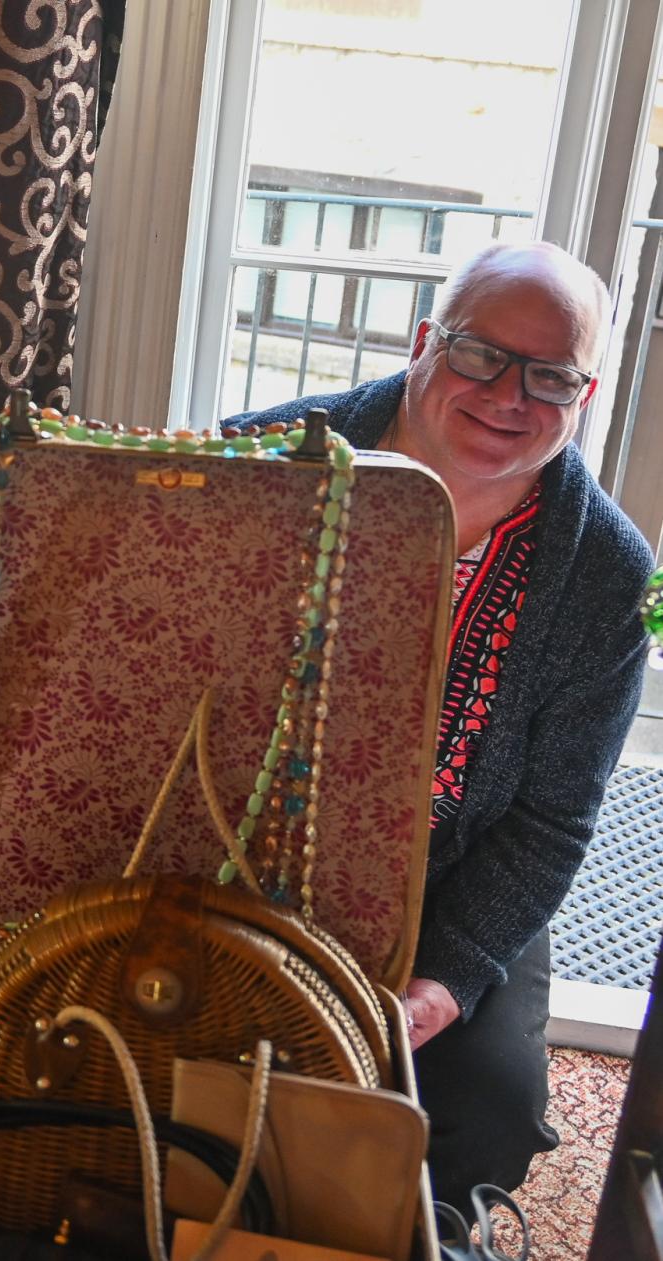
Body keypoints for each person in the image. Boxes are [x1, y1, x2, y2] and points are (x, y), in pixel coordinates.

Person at [225, 241, 653, 1206]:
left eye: (550, 376)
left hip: (450, 872)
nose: (508, 396)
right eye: (480, 354)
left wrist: (446, 978)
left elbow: (551, 820)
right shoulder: (256, 461)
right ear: (424, 343)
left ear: (583, 395)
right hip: (234, 850)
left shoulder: (605, 576)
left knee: (484, 1108)